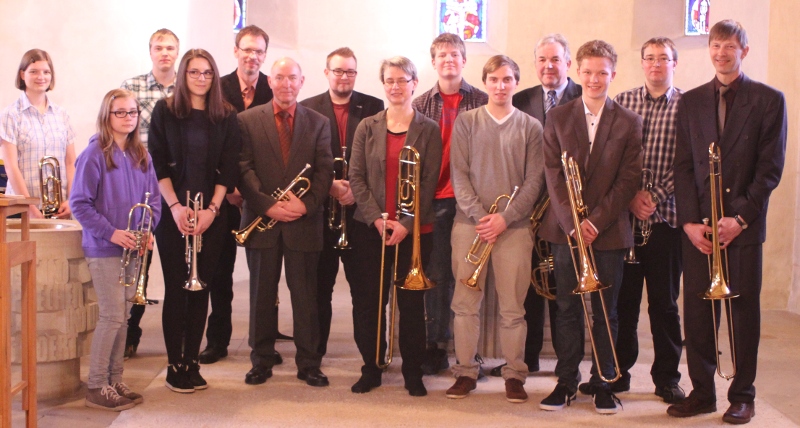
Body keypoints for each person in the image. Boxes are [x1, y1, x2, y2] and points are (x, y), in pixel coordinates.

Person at [668, 20, 787, 425]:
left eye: (730, 46)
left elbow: (770, 171)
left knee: (743, 315)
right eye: (716, 45)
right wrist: (687, 223)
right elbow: (682, 167)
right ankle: (702, 393)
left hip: (743, 228)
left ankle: (742, 395)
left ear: (744, 51)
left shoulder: (770, 100)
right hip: (699, 229)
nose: (722, 52)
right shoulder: (691, 100)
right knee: (698, 316)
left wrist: (739, 219)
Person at [538, 40, 642, 415]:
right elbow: (552, 173)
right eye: (588, 72)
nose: (595, 79)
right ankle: (566, 381)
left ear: (613, 74)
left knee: (605, 309)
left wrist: (595, 221)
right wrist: (572, 221)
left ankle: (604, 382)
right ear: (576, 73)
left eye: (602, 72)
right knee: (566, 307)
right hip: (566, 230)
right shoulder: (558, 117)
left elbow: (629, 179)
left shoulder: (630, 121)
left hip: (608, 229)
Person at [445, 55, 544, 403]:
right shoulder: (467, 122)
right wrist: (479, 217)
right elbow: (459, 175)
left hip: (514, 229)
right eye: (494, 80)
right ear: (484, 82)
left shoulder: (532, 126)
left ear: (516, 83)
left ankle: (514, 373)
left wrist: (505, 217)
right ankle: (466, 372)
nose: (500, 86)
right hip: (469, 227)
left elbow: (534, 181)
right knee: (465, 305)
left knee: (513, 307)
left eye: (507, 80)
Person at [489, 33, 582, 378]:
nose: (548, 66)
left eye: (555, 59)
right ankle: (526, 358)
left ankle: (565, 363)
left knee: (562, 288)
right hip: (526, 207)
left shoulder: (583, 95)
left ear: (568, 63)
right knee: (528, 285)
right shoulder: (523, 97)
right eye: (542, 60)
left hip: (567, 208)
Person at [148, 49, 241, 393]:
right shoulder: (166, 111)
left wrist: (212, 211)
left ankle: (192, 362)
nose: (201, 78)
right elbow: (157, 162)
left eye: (207, 73)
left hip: (211, 215)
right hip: (173, 213)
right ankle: (175, 365)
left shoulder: (226, 115)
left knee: (201, 286)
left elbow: (229, 166)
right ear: (183, 75)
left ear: (214, 77)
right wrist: (174, 207)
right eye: (194, 72)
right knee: (177, 288)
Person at [348, 56, 442, 396]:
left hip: (414, 232)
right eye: (389, 80)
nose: (395, 86)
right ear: (383, 84)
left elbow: (429, 183)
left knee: (411, 306)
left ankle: (412, 372)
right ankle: (371, 366)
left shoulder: (428, 129)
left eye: (403, 80)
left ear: (414, 84)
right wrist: (375, 217)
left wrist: (405, 223)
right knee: (369, 302)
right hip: (370, 229)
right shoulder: (367, 126)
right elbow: (355, 177)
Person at [238, 58, 333, 388]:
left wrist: (304, 206)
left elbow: (324, 172)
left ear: (302, 81)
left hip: (303, 223)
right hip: (262, 221)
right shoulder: (247, 120)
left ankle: (309, 362)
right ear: (270, 81)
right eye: (279, 77)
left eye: (292, 77)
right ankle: (261, 359)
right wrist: (267, 205)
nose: (286, 83)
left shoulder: (318, 122)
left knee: (306, 296)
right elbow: (243, 169)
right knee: (261, 295)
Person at [70, 88, 161, 411]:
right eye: (120, 112)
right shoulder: (94, 154)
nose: (127, 118)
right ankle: (96, 385)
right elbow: (79, 204)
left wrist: (148, 230)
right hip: (104, 247)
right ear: (107, 116)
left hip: (134, 247)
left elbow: (154, 199)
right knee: (110, 316)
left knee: (123, 316)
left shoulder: (141, 154)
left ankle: (115, 378)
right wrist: (112, 233)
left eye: (132, 112)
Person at [605, 37, 684, 404]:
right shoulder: (623, 101)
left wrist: (655, 196)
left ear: (674, 63)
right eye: (649, 58)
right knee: (624, 301)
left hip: (666, 220)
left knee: (664, 304)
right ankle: (619, 373)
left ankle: (667, 377)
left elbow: (688, 163)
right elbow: (613, 157)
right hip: (626, 219)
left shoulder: (687, 106)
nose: (656, 64)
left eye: (663, 58)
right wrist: (632, 194)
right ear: (641, 63)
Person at [199, 24, 284, 366]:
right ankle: (217, 339)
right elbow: (208, 144)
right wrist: (229, 187)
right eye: (246, 50)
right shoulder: (216, 88)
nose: (252, 56)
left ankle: (263, 340)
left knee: (265, 274)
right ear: (236, 51)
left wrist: (253, 191)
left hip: (261, 196)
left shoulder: (273, 86)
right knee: (220, 272)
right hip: (222, 194)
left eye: (259, 51)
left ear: (265, 55)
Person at [300, 47, 384, 358]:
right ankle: (313, 356)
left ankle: (372, 358)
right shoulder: (308, 107)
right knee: (318, 291)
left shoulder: (374, 106)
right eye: (338, 71)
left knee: (366, 292)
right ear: (326, 73)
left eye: (349, 71)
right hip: (321, 215)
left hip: (361, 214)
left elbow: (379, 162)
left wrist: (356, 191)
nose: (344, 76)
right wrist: (330, 187)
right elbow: (303, 161)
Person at [412, 32, 488, 375]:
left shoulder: (483, 100)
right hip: (438, 199)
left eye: (455, 54)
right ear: (433, 62)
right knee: (439, 274)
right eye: (442, 55)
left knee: (471, 274)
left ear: (464, 60)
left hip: (474, 200)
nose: (449, 60)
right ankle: (437, 344)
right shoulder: (421, 104)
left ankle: (473, 347)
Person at [119, 27, 179, 360]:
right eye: (159, 47)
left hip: (175, 186)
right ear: (150, 51)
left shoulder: (187, 88)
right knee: (138, 262)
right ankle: (130, 332)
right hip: (140, 183)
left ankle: (181, 331)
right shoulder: (132, 87)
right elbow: (122, 132)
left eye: (170, 47)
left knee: (175, 261)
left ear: (177, 52)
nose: (165, 53)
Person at [1, 48, 75, 220]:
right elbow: (11, 166)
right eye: (33, 71)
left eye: (46, 72)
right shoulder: (10, 115)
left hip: (60, 209)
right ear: (22, 75)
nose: (41, 77)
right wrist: (30, 207)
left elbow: (70, 163)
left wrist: (72, 200)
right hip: (20, 210)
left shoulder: (62, 114)